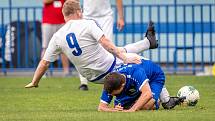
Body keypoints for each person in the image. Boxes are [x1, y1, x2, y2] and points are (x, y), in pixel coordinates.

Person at [24, 0, 157, 88]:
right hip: (108, 69)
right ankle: (165, 99)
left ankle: (147, 42)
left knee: (117, 50)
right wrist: (125, 58)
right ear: (79, 12)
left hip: (91, 77)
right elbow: (108, 45)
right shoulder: (88, 23)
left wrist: (34, 81)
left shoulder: (57, 36)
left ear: (64, 15)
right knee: (144, 63)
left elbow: (44, 63)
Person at [98, 58, 185, 112]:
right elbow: (101, 107)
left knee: (147, 105)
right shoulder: (111, 81)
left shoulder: (136, 73)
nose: (111, 95)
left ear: (122, 85)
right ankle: (141, 91)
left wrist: (132, 109)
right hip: (139, 79)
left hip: (154, 76)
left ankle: (160, 95)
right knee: (123, 106)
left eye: (115, 94)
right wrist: (114, 110)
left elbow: (148, 94)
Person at [78, 0, 125, 90]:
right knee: (83, 48)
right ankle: (83, 83)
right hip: (87, 16)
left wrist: (121, 17)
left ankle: (109, 81)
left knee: (108, 49)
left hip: (105, 17)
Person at [41, 0, 70, 76]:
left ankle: (66, 71)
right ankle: (43, 72)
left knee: (64, 47)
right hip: (48, 23)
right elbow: (45, 1)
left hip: (62, 22)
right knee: (45, 47)